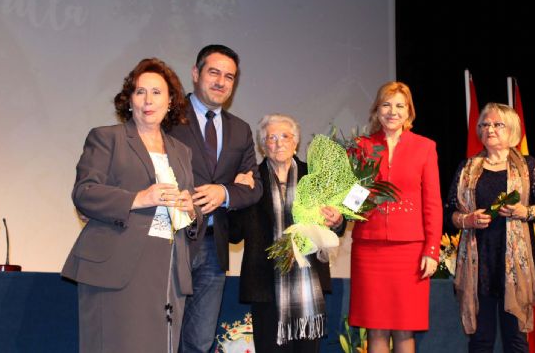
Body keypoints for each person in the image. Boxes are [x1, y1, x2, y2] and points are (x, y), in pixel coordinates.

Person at [62, 58, 201, 352]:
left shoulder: (181, 152)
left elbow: (191, 210)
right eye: (140, 92)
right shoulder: (107, 138)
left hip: (169, 270)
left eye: (157, 92)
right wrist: (140, 197)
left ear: (171, 100)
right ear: (129, 100)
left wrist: (191, 208)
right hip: (118, 267)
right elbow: (85, 192)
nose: (148, 100)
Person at [168, 44, 263, 353]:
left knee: (200, 340)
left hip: (214, 244)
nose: (221, 82)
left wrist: (222, 192)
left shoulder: (240, 130)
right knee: (162, 334)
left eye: (229, 76)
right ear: (196, 74)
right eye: (214, 73)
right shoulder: (169, 118)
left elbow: (254, 186)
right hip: (170, 239)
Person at [229, 114, 345, 353]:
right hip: (265, 284)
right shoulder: (252, 180)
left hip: (308, 283)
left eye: (285, 136)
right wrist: (235, 196)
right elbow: (233, 234)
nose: (278, 143)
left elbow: (338, 225)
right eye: (271, 137)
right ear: (263, 146)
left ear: (295, 143)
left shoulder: (314, 178)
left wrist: (337, 219)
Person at [445, 102, 535, 353]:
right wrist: (467, 220)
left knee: (515, 341)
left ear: (512, 130)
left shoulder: (528, 166)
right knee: (481, 341)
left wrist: (524, 212)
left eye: (497, 124)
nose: (489, 129)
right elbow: (449, 212)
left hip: (515, 266)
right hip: (479, 264)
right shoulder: (467, 168)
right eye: (484, 124)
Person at [349, 81, 443, 353]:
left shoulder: (425, 147)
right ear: (377, 110)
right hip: (369, 248)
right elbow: (353, 197)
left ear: (409, 112)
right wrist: (349, 204)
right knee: (375, 328)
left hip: (410, 251)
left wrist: (432, 250)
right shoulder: (360, 146)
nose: (393, 111)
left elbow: (433, 203)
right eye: (386, 105)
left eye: (400, 105)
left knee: (404, 329)